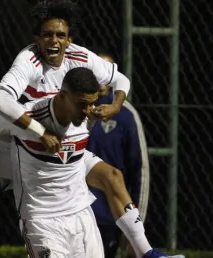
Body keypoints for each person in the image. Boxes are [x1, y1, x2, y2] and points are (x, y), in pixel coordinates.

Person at [0, 0, 129, 232]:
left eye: (60, 35)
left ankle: (145, 250)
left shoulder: (81, 57)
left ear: (69, 39)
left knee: (113, 176)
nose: (53, 41)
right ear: (37, 38)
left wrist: (116, 106)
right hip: (19, 141)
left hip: (59, 148)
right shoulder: (28, 60)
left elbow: (120, 79)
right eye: (47, 35)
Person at [0, 67, 105, 257]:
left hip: (81, 213)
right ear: (63, 95)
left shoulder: (87, 117)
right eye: (82, 104)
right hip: (42, 219)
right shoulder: (25, 117)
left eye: (91, 104)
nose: (87, 110)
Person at [88, 53, 150, 258]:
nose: (101, 77)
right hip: (72, 211)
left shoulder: (125, 114)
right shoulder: (71, 108)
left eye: (107, 70)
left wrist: (136, 224)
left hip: (109, 217)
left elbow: (139, 170)